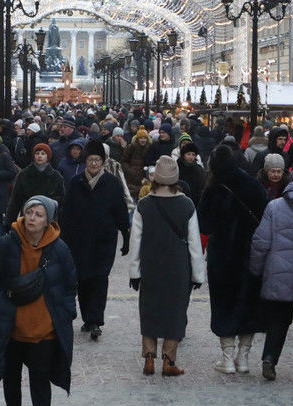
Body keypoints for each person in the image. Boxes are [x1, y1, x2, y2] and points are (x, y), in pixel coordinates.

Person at [0, 196, 78, 406]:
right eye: (29, 212)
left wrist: (67, 313)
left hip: (43, 329)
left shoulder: (59, 249)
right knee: (10, 376)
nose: (32, 218)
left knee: (40, 380)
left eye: (38, 214)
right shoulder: (6, 244)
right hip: (11, 326)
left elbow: (70, 284)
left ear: (48, 220)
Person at [129, 155, 206, 376]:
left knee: (149, 309)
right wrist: (198, 274)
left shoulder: (144, 204)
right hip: (177, 264)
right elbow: (194, 242)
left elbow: (136, 240)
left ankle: (149, 359)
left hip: (151, 263)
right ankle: (169, 362)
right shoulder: (186, 204)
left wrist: (134, 271)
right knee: (175, 311)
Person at [198, 145, 269, 375]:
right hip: (251, 256)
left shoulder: (213, 189)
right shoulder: (253, 185)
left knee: (224, 305)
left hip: (223, 258)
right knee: (248, 305)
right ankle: (244, 358)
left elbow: (204, 225)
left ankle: (227, 360)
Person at [249, 165, 293, 381]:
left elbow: (260, 242)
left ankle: (269, 359)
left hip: (279, 270)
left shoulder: (275, 206)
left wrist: (256, 269)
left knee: (278, 320)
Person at [59, 140, 131, 342]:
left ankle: (96, 320)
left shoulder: (112, 183)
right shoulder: (75, 183)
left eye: (97, 160)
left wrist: (125, 235)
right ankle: (87, 318)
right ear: (85, 161)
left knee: (100, 278)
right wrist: (63, 238)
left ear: (103, 162)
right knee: (82, 279)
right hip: (79, 240)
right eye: (91, 160)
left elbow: (120, 211)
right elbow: (67, 213)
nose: (94, 164)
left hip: (104, 240)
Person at [4, 143, 65, 229]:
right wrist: (9, 222)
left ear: (48, 157)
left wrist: (48, 203)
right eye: (37, 153)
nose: (40, 156)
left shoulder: (56, 176)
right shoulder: (24, 174)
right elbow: (15, 200)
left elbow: (61, 199)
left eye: (43, 153)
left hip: (48, 220)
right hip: (28, 218)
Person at [120, 128, 150, 199]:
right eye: (141, 138)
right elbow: (123, 161)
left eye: (145, 138)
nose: (143, 140)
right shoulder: (131, 147)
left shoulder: (149, 148)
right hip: (131, 178)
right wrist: (130, 171)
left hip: (143, 178)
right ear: (137, 139)